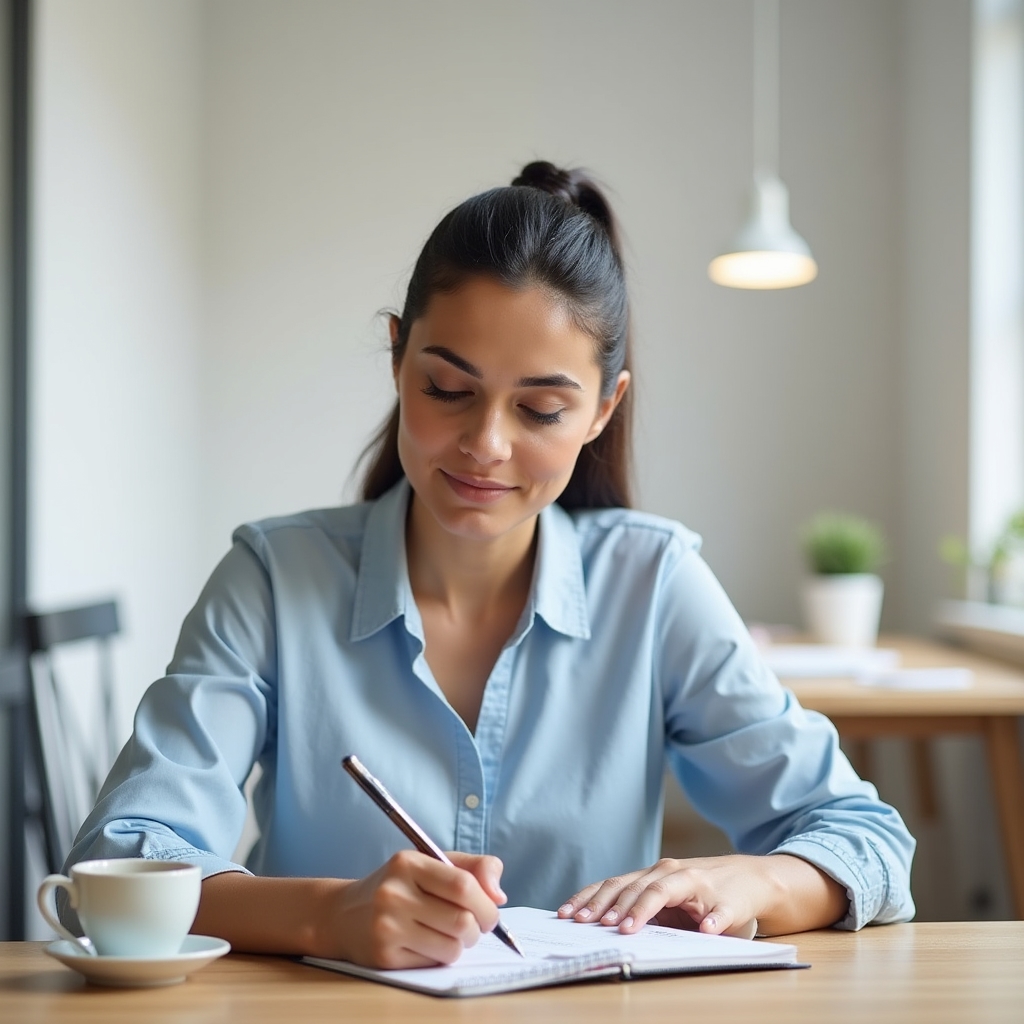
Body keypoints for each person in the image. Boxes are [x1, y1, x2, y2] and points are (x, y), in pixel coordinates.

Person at [62, 161, 915, 969]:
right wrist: (327, 916)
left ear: (601, 410)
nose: (487, 445)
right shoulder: (273, 578)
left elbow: (865, 838)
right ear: (398, 359)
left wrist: (743, 880)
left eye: (541, 408)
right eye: (447, 390)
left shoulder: (653, 585)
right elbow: (117, 861)